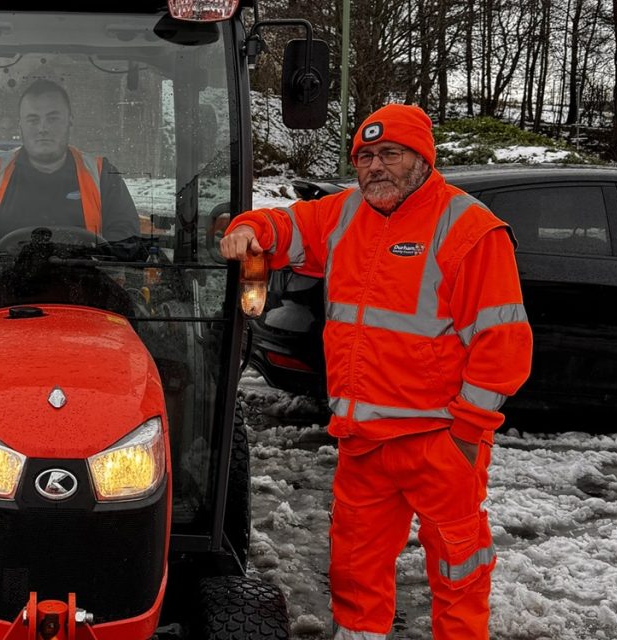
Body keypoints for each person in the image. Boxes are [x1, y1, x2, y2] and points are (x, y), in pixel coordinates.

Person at [221, 104, 533, 639]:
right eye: (364, 157)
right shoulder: (345, 214)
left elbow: (502, 345)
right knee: (354, 573)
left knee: (458, 573)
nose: (375, 167)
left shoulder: (469, 228)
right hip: (363, 441)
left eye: (390, 153)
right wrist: (249, 227)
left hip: (438, 439)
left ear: (422, 158)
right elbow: (286, 227)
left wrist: (466, 433)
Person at [0, 79, 139, 251]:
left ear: (70, 120)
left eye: (52, 118)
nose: (43, 128)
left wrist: (86, 258)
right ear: (20, 124)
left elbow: (125, 236)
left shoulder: (102, 175)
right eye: (33, 119)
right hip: (11, 281)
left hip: (86, 280)